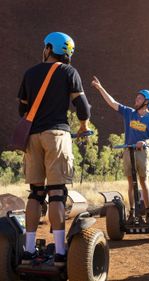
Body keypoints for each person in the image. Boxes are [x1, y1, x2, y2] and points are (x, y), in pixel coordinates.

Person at [17, 32, 91, 266]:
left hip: (33, 137)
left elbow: (23, 111)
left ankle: (29, 250)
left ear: (48, 48)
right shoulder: (69, 72)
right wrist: (83, 126)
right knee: (57, 193)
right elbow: (83, 108)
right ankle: (59, 251)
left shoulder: (30, 73)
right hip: (57, 134)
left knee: (35, 194)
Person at [91, 77, 149, 224]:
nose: (136, 99)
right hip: (128, 151)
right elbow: (113, 103)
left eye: (139, 98)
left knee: (143, 181)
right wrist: (100, 88)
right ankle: (132, 212)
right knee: (130, 182)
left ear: (146, 102)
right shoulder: (129, 112)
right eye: (137, 97)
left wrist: (145, 142)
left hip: (142, 152)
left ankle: (148, 211)